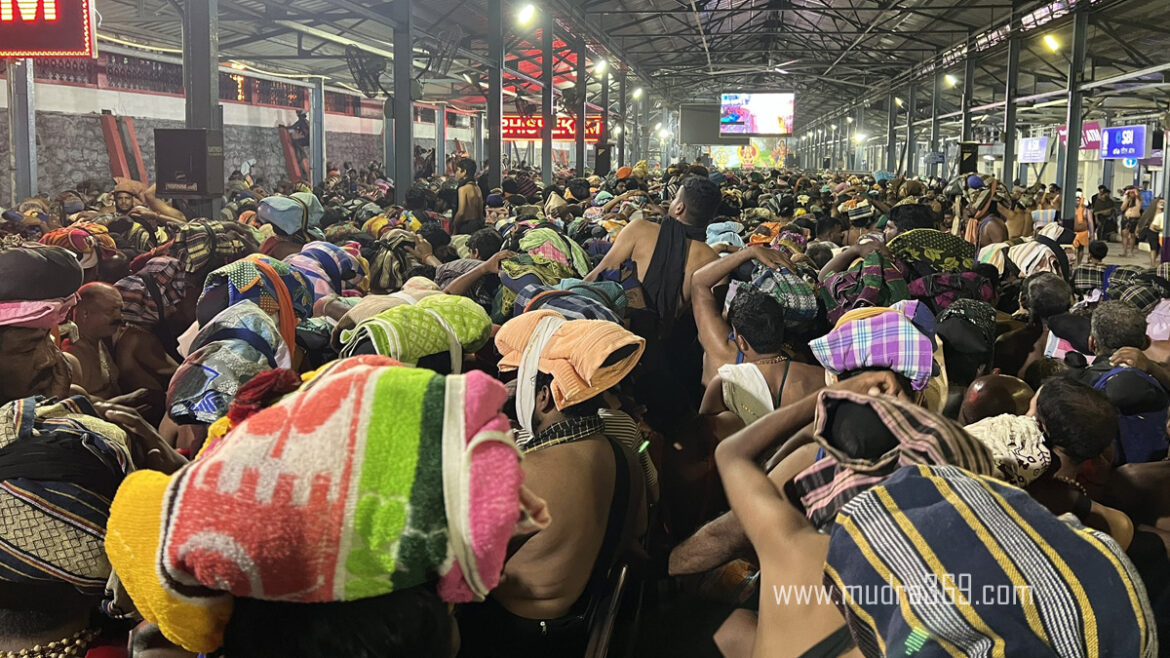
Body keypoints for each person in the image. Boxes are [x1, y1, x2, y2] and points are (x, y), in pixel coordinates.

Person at [460, 312, 647, 656]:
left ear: (544, 396)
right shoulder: (626, 458)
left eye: (518, 382)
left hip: (513, 637)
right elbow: (634, 537)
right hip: (580, 626)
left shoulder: (526, 474)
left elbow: (461, 561)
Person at [586, 175, 721, 321]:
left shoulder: (639, 229)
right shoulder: (713, 260)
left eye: (675, 198)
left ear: (679, 208)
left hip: (615, 326)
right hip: (664, 334)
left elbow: (595, 277)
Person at [0, 243, 82, 405]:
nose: (49, 359)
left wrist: (48, 408)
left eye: (48, 338)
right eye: (27, 348)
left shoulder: (67, 395)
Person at [65, 283, 123, 400]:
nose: (119, 317)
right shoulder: (72, 354)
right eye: (110, 311)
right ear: (85, 314)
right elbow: (76, 404)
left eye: (120, 310)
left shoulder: (100, 342)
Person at [454, 158, 485, 235]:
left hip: (465, 227)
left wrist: (454, 224)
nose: (456, 173)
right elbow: (480, 212)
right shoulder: (477, 188)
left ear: (464, 172)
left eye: (457, 170)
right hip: (477, 225)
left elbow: (461, 212)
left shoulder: (463, 189)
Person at [1121, 187, 1143, 257]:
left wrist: (1136, 193)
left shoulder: (1138, 199)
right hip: (1126, 218)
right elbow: (1122, 208)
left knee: (1133, 235)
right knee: (1124, 234)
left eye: (1132, 193)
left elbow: (1138, 198)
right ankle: (1125, 251)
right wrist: (1127, 199)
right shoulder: (1127, 199)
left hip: (1134, 219)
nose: (1131, 194)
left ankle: (1131, 251)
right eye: (1130, 193)